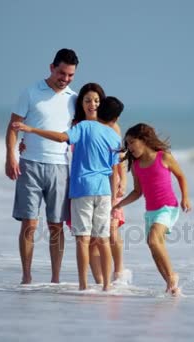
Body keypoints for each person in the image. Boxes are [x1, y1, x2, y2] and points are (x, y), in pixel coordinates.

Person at [19, 83, 127, 285]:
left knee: (83, 239)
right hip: (104, 192)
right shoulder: (112, 134)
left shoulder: (83, 127)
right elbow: (115, 168)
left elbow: (61, 138)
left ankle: (84, 285)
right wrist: (114, 197)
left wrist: (31, 130)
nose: (92, 104)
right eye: (87, 100)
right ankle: (106, 286)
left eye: (96, 101)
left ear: (101, 105)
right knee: (103, 239)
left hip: (82, 190)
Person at [5, 48, 78, 284]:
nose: (65, 79)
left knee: (56, 225)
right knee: (30, 223)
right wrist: (11, 156)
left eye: (70, 75)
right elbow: (14, 126)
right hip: (30, 165)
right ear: (51, 67)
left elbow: (79, 134)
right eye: (62, 73)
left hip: (59, 167)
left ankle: (55, 279)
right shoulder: (30, 92)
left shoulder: (74, 98)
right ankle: (26, 277)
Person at [112, 123, 191, 296]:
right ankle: (171, 287)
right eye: (128, 144)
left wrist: (185, 197)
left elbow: (181, 176)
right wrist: (119, 204)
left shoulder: (164, 157)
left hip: (168, 207)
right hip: (151, 212)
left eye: (132, 142)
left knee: (154, 240)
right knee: (152, 245)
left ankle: (172, 275)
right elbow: (137, 192)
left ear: (144, 140)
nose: (130, 147)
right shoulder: (136, 166)